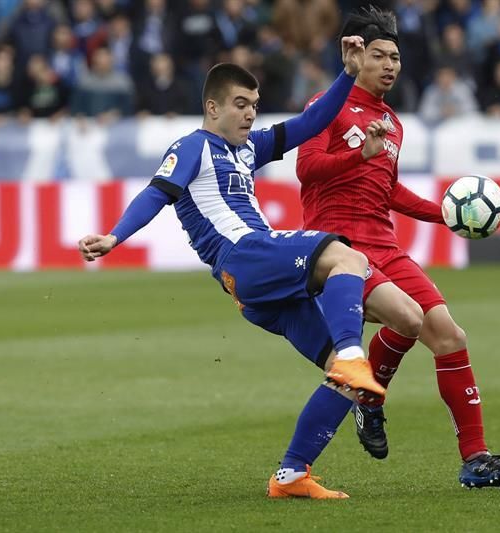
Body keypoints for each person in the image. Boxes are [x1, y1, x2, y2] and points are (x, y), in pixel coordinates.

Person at [78, 36, 387, 499]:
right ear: (212, 107)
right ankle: (352, 355)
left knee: (348, 385)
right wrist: (115, 236)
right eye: (240, 104)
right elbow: (156, 194)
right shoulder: (193, 146)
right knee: (349, 258)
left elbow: (311, 122)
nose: (249, 114)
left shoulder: (247, 150)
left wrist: (346, 73)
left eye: (254, 105)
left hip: (252, 286)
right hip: (247, 255)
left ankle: (291, 476)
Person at [296, 6, 500, 489]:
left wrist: (440, 212)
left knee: (449, 336)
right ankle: (361, 407)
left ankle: (475, 458)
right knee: (410, 319)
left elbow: (388, 191)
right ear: (355, 55)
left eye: (395, 57)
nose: (389, 65)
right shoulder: (327, 105)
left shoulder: (393, 122)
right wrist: (360, 153)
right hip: (339, 247)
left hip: (385, 243)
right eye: (379, 55)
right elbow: (307, 170)